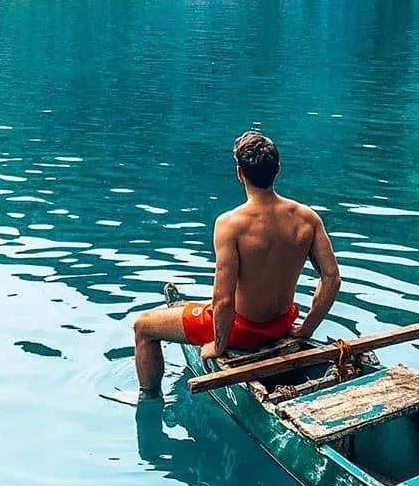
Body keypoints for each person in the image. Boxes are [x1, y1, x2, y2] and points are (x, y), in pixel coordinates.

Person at [132, 131, 341, 397]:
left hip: (241, 332)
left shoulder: (231, 225)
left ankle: (148, 397)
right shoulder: (307, 218)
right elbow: (332, 279)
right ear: (277, 169)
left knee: (143, 326)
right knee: (196, 308)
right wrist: (307, 328)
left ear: (240, 173)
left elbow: (223, 300)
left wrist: (218, 345)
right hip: (283, 324)